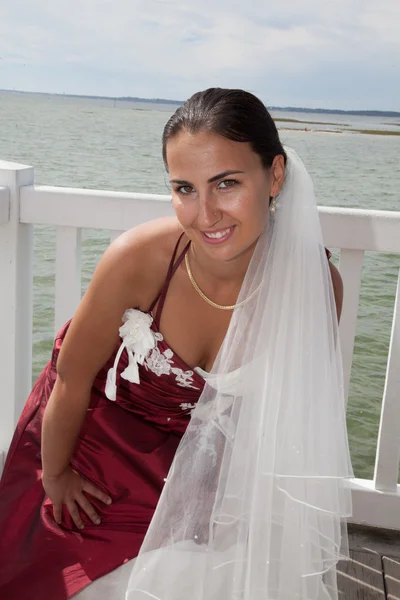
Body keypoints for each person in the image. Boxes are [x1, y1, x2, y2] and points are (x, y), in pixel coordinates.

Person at [0, 88, 351, 600]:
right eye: (185, 188)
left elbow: (281, 412)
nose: (205, 214)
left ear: (274, 176)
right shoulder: (140, 258)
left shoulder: (315, 285)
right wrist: (55, 475)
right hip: (92, 444)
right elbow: (71, 380)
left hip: (192, 459)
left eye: (226, 183)